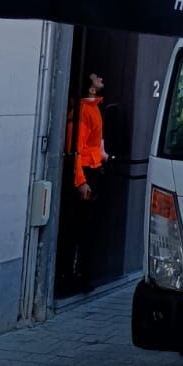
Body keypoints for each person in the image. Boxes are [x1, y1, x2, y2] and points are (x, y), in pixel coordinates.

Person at [67, 71, 109, 293]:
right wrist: (81, 182)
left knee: (86, 228)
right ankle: (75, 276)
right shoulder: (84, 112)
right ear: (91, 89)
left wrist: (101, 156)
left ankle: (80, 275)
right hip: (85, 175)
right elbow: (75, 149)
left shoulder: (93, 109)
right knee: (81, 229)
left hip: (92, 171)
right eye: (97, 78)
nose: (101, 80)